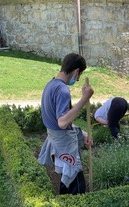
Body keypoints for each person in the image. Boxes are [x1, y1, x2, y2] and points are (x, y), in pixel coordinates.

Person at [38, 53, 94, 195]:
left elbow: (57, 121)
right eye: (79, 74)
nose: (78, 78)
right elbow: (62, 122)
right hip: (64, 145)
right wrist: (84, 98)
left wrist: (81, 133)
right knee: (76, 185)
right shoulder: (62, 90)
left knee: (67, 179)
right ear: (76, 71)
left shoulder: (50, 85)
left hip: (56, 140)